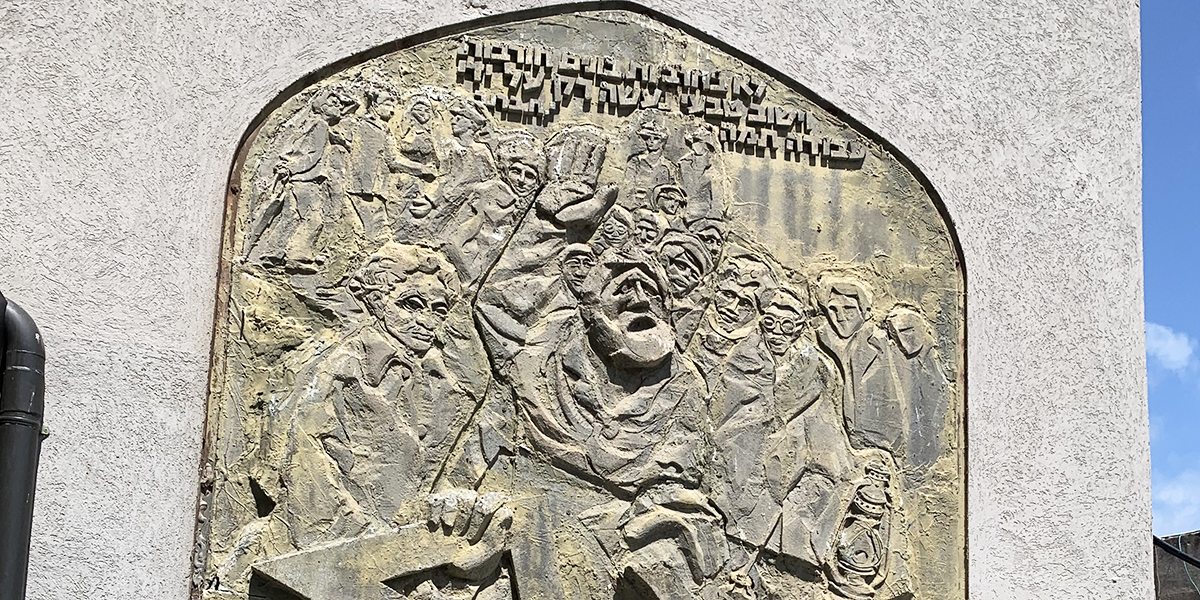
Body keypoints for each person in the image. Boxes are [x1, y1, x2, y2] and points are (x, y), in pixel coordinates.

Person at [262, 244, 476, 549]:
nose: (427, 321)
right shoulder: (342, 369)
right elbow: (304, 459)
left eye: (438, 310)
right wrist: (364, 536)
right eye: (412, 305)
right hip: (346, 541)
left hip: (413, 540)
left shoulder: (442, 380)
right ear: (377, 302)